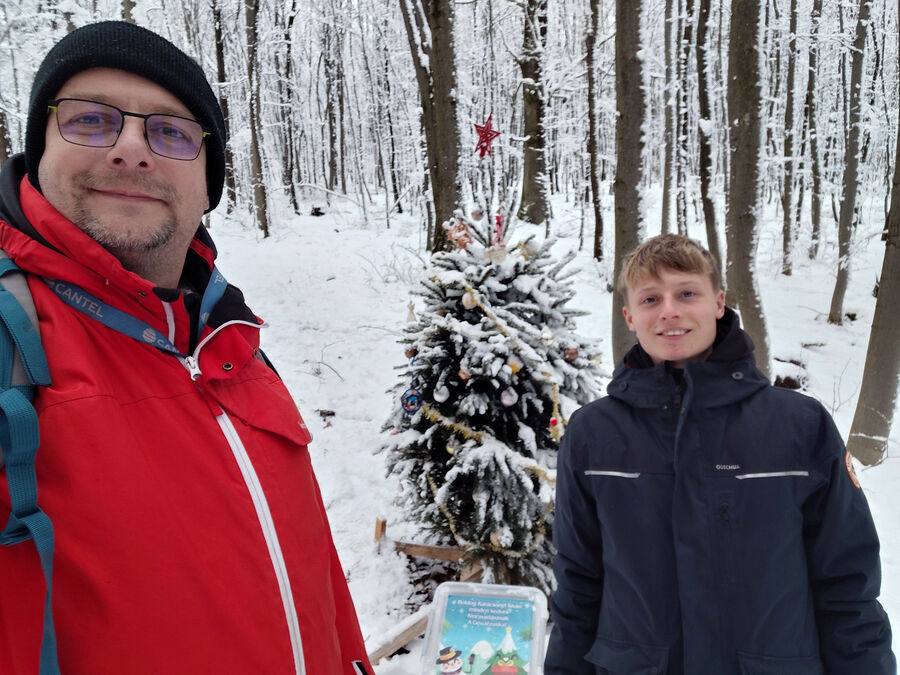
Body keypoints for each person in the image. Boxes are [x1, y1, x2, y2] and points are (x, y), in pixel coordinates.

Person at [0, 21, 372, 674]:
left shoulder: (233, 341)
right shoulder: (11, 344)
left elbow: (309, 582)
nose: (131, 150)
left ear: (207, 183)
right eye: (91, 121)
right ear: (38, 148)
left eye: (170, 132)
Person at [545, 234, 895, 674]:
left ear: (718, 302)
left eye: (686, 293)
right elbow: (577, 584)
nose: (669, 310)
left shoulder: (800, 426)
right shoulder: (593, 433)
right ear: (629, 316)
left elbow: (847, 587)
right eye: (651, 299)